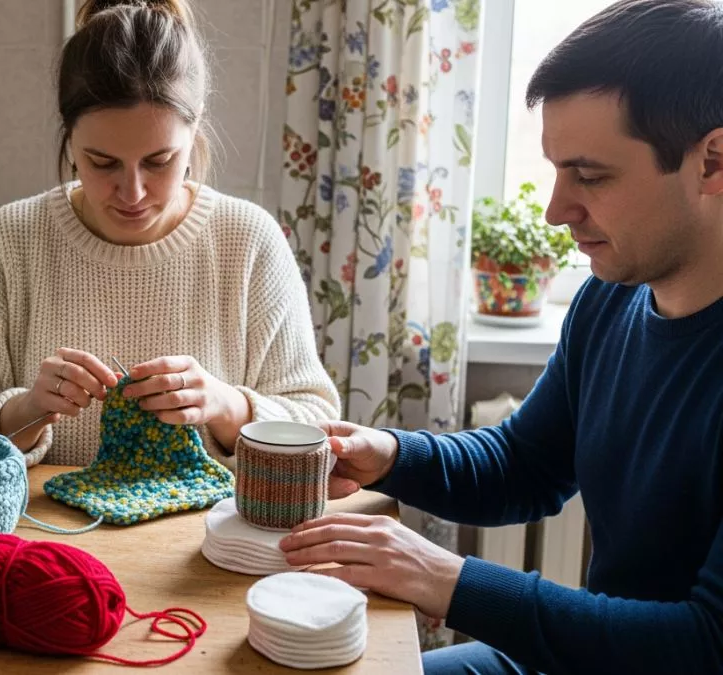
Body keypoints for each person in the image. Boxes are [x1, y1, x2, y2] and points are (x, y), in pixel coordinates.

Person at [278, 1, 723, 672]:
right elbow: (528, 466)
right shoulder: (609, 297)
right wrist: (390, 453)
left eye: (591, 175)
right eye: (556, 170)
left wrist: (444, 579)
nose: (555, 211)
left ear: (712, 159)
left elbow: (703, 644)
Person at [0, 0, 340, 468]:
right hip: (41, 536)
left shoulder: (248, 242)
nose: (133, 192)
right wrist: (27, 412)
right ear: (69, 136)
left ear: (196, 124)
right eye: (102, 163)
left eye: (159, 161)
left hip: (209, 537)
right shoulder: (12, 239)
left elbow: (320, 428)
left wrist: (226, 407)